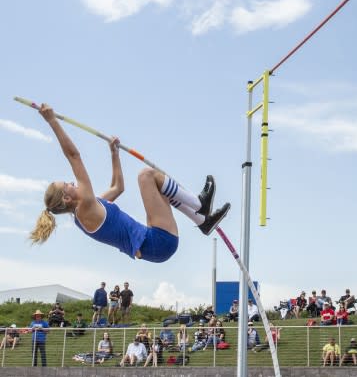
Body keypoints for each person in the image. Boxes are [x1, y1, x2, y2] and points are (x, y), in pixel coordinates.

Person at [30, 104, 231, 264]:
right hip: (158, 242)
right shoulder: (85, 206)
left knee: (160, 188)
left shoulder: (87, 212)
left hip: (153, 244)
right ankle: (199, 205)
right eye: (67, 184)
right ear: (66, 197)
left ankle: (203, 221)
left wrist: (113, 154)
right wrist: (52, 121)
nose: (72, 182)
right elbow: (73, 156)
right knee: (146, 176)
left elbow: (118, 188)